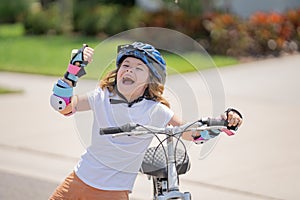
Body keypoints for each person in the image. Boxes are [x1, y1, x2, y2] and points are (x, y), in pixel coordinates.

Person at [49, 42, 243, 200]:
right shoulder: (101, 97)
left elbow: (192, 133)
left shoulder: (155, 110)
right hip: (79, 179)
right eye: (125, 66)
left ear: (151, 79)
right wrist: (73, 70)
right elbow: (61, 105)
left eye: (138, 68)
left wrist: (222, 122)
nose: (129, 71)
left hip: (114, 191)